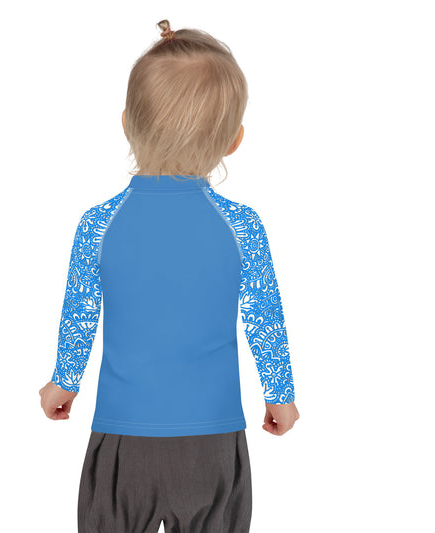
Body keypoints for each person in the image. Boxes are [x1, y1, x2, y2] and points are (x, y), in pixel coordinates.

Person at [39, 19, 300, 533]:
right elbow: (264, 317)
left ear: (126, 124)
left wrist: (63, 382)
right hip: (213, 440)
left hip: (122, 438)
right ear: (234, 140)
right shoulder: (241, 226)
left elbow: (80, 312)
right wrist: (280, 392)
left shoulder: (99, 224)